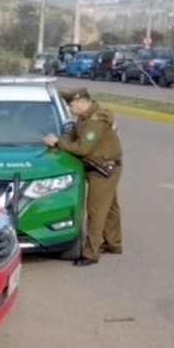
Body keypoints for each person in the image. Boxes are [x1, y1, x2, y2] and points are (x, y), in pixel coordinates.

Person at [43, 88, 123, 267]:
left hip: (103, 169)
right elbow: (72, 135)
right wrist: (59, 138)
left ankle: (91, 252)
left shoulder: (95, 120)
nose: (70, 109)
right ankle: (114, 243)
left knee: (96, 210)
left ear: (81, 101)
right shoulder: (85, 118)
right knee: (109, 207)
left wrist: (57, 142)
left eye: (71, 105)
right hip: (100, 167)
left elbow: (82, 149)